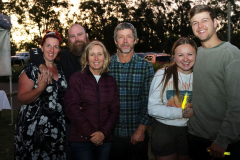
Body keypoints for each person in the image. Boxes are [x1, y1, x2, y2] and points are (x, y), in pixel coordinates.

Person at [187, 5, 240, 160]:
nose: (200, 26)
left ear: (216, 22)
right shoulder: (195, 54)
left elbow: (237, 105)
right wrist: (184, 106)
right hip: (195, 136)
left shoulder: (231, 55)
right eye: (195, 23)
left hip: (222, 143)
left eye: (205, 20)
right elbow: (190, 88)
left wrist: (222, 140)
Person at [30, 24, 90, 159]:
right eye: (72, 37)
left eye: (80, 35)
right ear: (68, 41)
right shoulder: (63, 56)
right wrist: (41, 64)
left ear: (86, 36)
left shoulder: (96, 56)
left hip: (94, 119)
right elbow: (35, 50)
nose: (77, 39)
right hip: (69, 122)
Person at [14, 31, 68, 159]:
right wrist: (40, 89)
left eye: (55, 47)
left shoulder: (61, 69)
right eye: (48, 46)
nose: (51, 50)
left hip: (57, 128)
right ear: (42, 48)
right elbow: (21, 98)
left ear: (59, 49)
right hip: (34, 129)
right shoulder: (31, 69)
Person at [64, 41, 120, 160]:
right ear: (86, 57)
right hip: (81, 140)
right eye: (92, 54)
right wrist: (91, 135)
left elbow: (114, 110)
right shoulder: (77, 79)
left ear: (105, 57)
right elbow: (71, 108)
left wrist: (103, 133)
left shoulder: (111, 81)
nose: (96, 58)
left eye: (99, 54)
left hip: (105, 140)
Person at [108, 22, 154, 160]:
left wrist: (141, 130)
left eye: (129, 36)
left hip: (136, 135)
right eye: (121, 37)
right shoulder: (106, 65)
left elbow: (148, 101)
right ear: (116, 41)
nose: (125, 41)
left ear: (135, 40)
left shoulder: (145, 67)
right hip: (111, 136)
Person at [148, 37, 197, 160]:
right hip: (164, 129)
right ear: (173, 56)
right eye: (180, 55)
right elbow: (152, 109)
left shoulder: (201, 76)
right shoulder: (162, 74)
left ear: (196, 55)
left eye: (190, 54)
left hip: (190, 131)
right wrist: (182, 113)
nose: (185, 59)